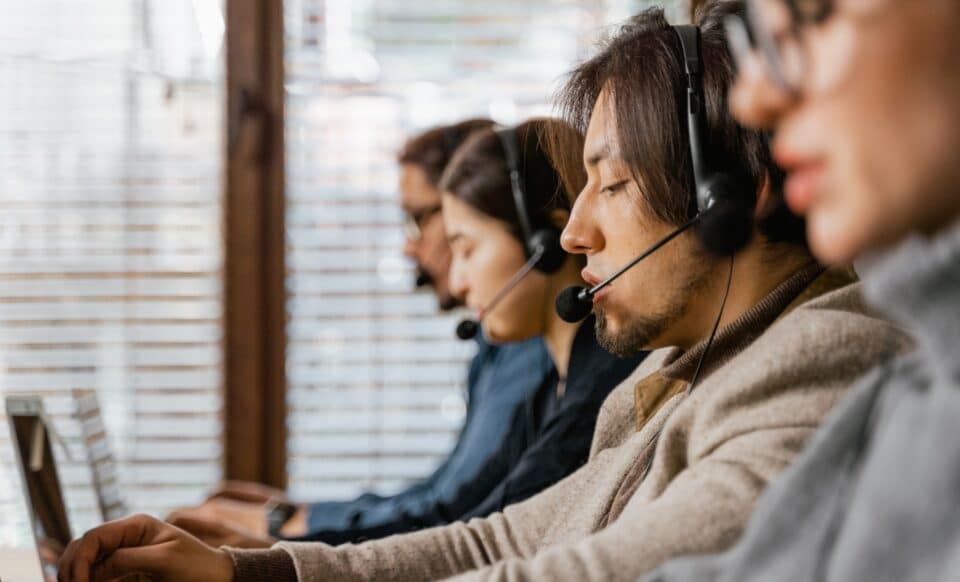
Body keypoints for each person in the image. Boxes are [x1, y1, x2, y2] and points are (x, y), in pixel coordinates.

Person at [56, 3, 910, 581]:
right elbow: (502, 535)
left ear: (729, 192)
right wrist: (249, 569)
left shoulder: (822, 356)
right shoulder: (684, 376)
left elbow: (586, 574)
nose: (576, 233)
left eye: (608, 186)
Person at [642, 0, 960, 580]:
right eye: (761, 38)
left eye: (814, 17)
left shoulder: (848, 361)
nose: (752, 100)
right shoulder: (909, 397)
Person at [166, 119, 561, 546]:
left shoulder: (529, 346)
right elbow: (441, 493)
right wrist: (294, 518)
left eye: (417, 220)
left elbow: (446, 515)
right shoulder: (501, 342)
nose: (409, 246)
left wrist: (278, 540)